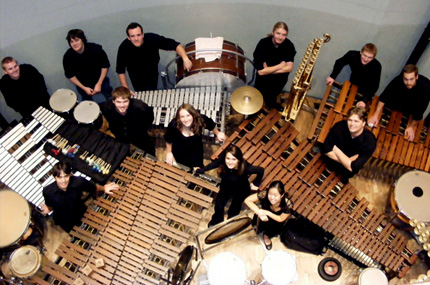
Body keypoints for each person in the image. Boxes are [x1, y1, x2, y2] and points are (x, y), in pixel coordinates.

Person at [39, 162, 118, 232]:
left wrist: (104, 188)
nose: (63, 181)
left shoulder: (78, 182)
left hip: (80, 212)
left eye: (66, 176)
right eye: (59, 177)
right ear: (54, 178)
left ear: (70, 175)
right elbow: (50, 205)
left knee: (93, 229)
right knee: (75, 234)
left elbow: (93, 187)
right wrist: (48, 209)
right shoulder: (48, 191)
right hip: (64, 220)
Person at [196, 145, 264, 226]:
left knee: (234, 209)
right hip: (226, 186)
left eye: (233, 159)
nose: (230, 162)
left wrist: (256, 183)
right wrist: (201, 170)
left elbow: (261, 170)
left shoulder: (246, 167)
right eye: (228, 158)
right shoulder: (223, 161)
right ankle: (217, 221)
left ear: (238, 160)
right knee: (218, 205)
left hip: (240, 189)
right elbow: (214, 164)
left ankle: (230, 223)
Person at [116, 22, 192, 94]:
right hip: (136, 76)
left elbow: (175, 45)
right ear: (129, 38)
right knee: (143, 95)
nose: (136, 39)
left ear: (143, 35)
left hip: (152, 71)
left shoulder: (152, 39)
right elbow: (120, 70)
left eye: (138, 35)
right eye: (132, 36)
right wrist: (125, 88)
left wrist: (185, 59)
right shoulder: (124, 47)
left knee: (152, 91)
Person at [368, 64, 430, 141]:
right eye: (406, 79)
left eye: (411, 79)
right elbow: (384, 96)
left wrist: (412, 127)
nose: (408, 82)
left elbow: (420, 110)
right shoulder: (398, 79)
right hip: (394, 104)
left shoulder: (426, 87)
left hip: (409, 110)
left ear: (416, 76)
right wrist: (376, 115)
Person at [321, 107, 376, 184]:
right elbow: (326, 149)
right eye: (350, 120)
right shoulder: (339, 127)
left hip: (346, 172)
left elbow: (354, 168)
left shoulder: (370, 141)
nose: (352, 124)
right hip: (331, 162)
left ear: (363, 123)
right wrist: (348, 161)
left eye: (356, 121)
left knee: (345, 179)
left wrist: (336, 149)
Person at [164, 104, 226, 169]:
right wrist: (169, 153)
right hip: (179, 152)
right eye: (182, 117)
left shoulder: (200, 119)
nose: (186, 119)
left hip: (196, 152)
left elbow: (211, 125)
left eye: (188, 115)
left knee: (197, 172)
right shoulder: (174, 125)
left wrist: (218, 133)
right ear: (179, 118)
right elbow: (168, 139)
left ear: (193, 115)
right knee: (180, 171)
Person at [253, 21, 296, 111]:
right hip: (263, 81)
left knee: (272, 96)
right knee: (257, 97)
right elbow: (260, 72)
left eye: (284, 35)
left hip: (279, 80)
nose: (280, 37)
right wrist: (280, 66)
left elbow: (290, 68)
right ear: (273, 32)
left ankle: (271, 104)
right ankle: (253, 112)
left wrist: (268, 70)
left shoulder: (289, 45)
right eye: (278, 33)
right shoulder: (263, 43)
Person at [100, 86, 155, 155]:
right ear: (113, 101)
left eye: (125, 101)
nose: (122, 105)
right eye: (118, 102)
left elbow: (150, 117)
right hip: (119, 134)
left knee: (149, 150)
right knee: (124, 151)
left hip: (138, 133)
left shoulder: (140, 107)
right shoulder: (106, 107)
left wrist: (142, 128)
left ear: (130, 100)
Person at [63, 29, 112, 102]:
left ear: (82, 39)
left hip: (101, 80)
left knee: (111, 98)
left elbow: (105, 66)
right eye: (72, 41)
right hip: (83, 85)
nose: (74, 44)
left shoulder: (96, 49)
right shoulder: (68, 57)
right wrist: (84, 88)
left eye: (77, 40)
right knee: (87, 105)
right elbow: (70, 75)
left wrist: (99, 84)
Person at [326, 43, 381, 107]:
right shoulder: (353, 55)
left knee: (356, 109)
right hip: (353, 83)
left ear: (373, 58)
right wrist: (332, 76)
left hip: (365, 90)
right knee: (343, 103)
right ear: (361, 52)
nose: (366, 59)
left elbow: (375, 85)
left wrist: (364, 100)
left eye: (370, 58)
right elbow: (339, 62)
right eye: (364, 55)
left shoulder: (377, 66)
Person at [245, 181, 292, 250]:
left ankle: (266, 236)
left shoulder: (287, 204)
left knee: (271, 230)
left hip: (275, 221)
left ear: (282, 195)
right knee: (257, 225)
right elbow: (247, 200)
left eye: (275, 195)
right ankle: (259, 228)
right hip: (262, 218)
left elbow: (280, 218)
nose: (272, 198)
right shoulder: (264, 194)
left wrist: (267, 212)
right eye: (270, 194)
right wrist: (259, 212)